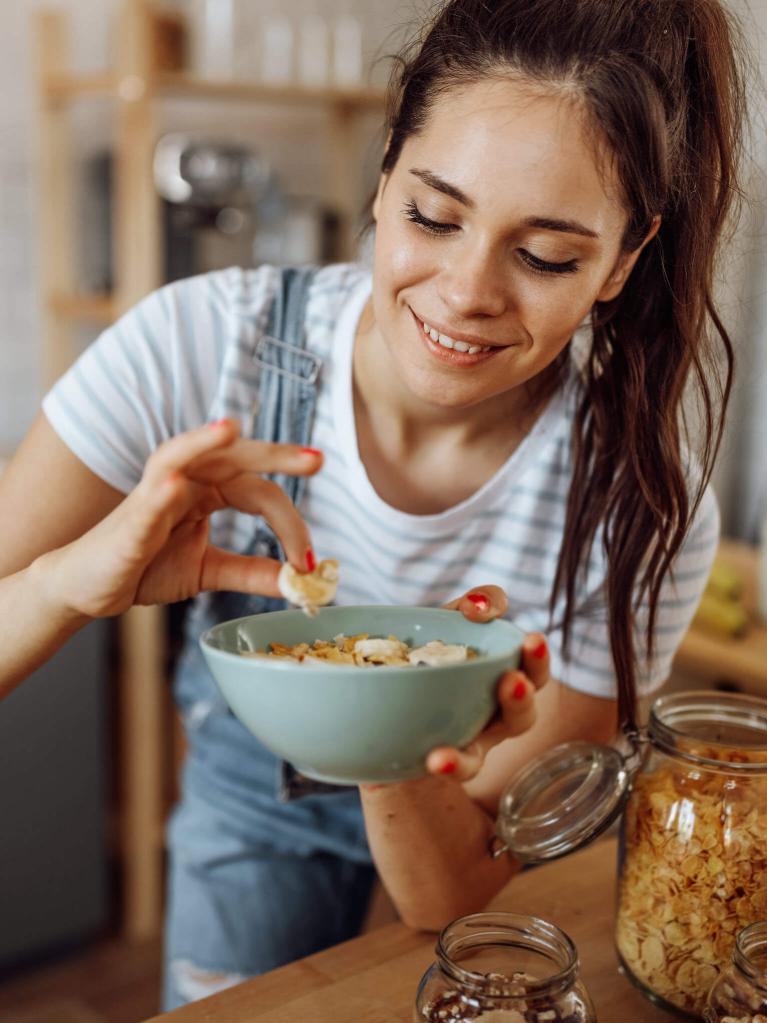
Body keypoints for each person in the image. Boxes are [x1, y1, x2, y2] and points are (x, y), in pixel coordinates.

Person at [0, 0, 747, 1008]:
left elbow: (456, 892)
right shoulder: (199, 346)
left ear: (621, 259)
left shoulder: (638, 501)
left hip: (446, 832)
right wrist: (62, 586)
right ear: (384, 171)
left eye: (545, 257)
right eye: (431, 216)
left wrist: (385, 714)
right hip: (248, 813)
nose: (464, 292)